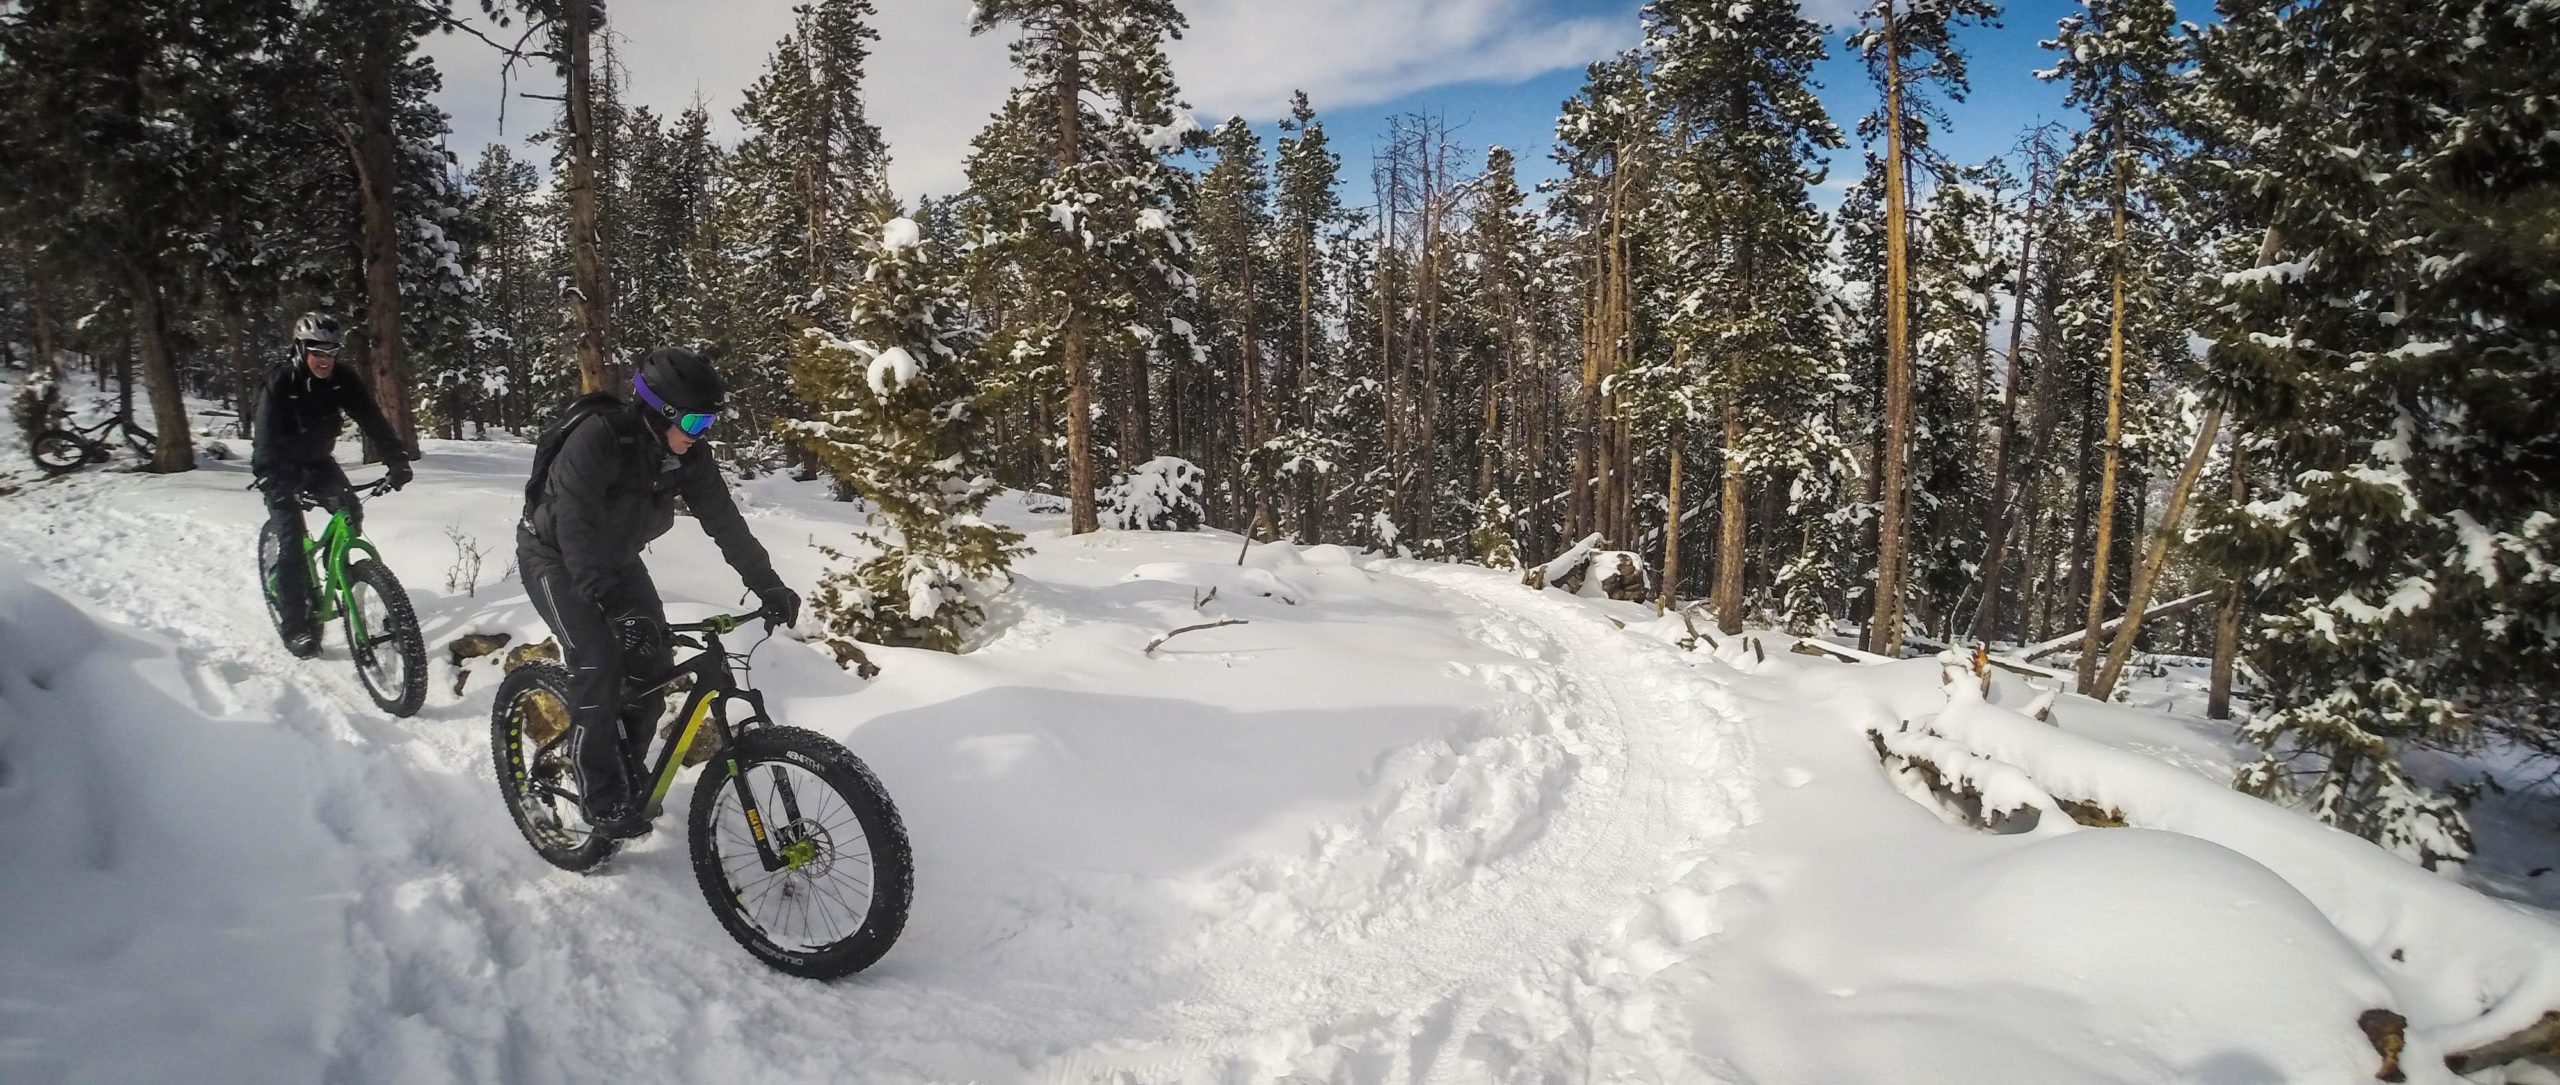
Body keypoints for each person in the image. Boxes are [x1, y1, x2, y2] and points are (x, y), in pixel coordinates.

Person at [518, 346, 800, 837]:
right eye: (693, 422)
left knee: (654, 663)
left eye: (708, 423)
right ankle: (598, 792)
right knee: (599, 661)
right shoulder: (595, 442)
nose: (700, 434)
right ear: (656, 412)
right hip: (556, 557)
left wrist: (767, 583)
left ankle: (624, 765)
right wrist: (609, 605)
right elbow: (575, 526)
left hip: (617, 560)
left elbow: (724, 522)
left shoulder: (686, 457)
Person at [253, 312, 412, 655]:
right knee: (292, 542)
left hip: (318, 463)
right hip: (280, 469)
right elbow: (263, 438)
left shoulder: (342, 379)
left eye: (332, 353)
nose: (325, 361)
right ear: (300, 349)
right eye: (318, 353)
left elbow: (372, 418)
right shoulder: (279, 382)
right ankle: (296, 624)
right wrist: (270, 479)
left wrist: (396, 459)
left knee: (350, 514)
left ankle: (338, 570)